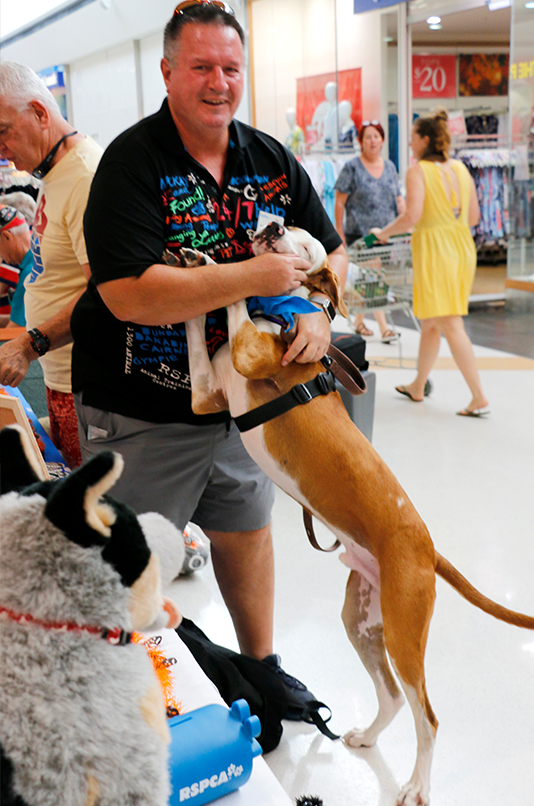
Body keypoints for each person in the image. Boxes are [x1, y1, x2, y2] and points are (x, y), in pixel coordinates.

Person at [71, 1, 348, 716]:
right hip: (142, 408)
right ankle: (125, 697)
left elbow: (333, 250)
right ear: (168, 72)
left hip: (243, 405)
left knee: (246, 529)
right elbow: (130, 294)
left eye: (230, 68)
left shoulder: (269, 159)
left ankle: (262, 670)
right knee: (132, 560)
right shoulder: (130, 165)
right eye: (201, 67)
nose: (219, 83)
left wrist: (320, 309)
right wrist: (254, 277)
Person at [0, 62, 103, 466]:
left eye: (3, 131)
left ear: (40, 113)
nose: (1, 148)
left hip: (86, 386)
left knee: (88, 498)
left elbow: (105, 291)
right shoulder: (55, 172)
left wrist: (29, 345)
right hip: (61, 378)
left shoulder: (84, 176)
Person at [371, 110, 489, 417]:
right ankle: (418, 385)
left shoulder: (418, 171)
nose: (410, 144)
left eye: (413, 138)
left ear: (425, 140)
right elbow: (474, 217)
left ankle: (478, 396)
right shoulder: (461, 169)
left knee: (449, 321)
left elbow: (412, 215)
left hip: (436, 251)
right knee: (431, 323)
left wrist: (384, 234)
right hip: (462, 247)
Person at [335, 120, 404, 342]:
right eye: (368, 137)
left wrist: (405, 222)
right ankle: (384, 327)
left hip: (386, 234)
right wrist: (339, 232)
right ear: (361, 142)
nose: (372, 141)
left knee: (370, 278)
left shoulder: (390, 167)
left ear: (382, 140)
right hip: (361, 235)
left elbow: (398, 198)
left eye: (376, 136)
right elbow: (339, 202)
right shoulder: (352, 167)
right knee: (373, 276)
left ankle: (359, 321)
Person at [0, 205, 31, 328]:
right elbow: (20, 318)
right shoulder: (36, 256)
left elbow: (15, 329)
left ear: (7, 237)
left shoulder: (30, 274)